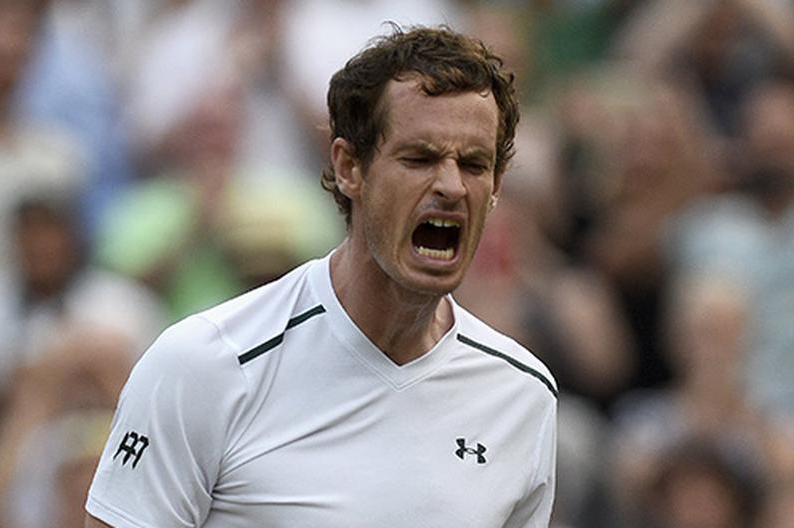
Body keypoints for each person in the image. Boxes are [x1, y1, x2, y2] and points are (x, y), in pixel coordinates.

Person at [84, 25, 557, 527]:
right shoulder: (202, 365)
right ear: (349, 167)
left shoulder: (522, 396)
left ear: (497, 185)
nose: (450, 185)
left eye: (474, 164)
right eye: (419, 158)